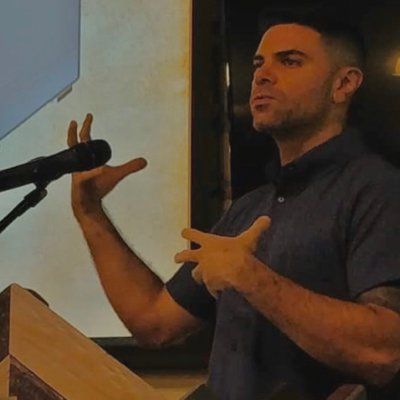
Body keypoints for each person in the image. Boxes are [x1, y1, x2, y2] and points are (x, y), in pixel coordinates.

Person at [67, 12, 400, 400]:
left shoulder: (377, 189)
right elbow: (153, 322)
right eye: (258, 63)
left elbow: (384, 351)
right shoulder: (248, 209)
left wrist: (251, 279)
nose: (262, 76)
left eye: (289, 61)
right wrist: (90, 212)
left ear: (344, 84)